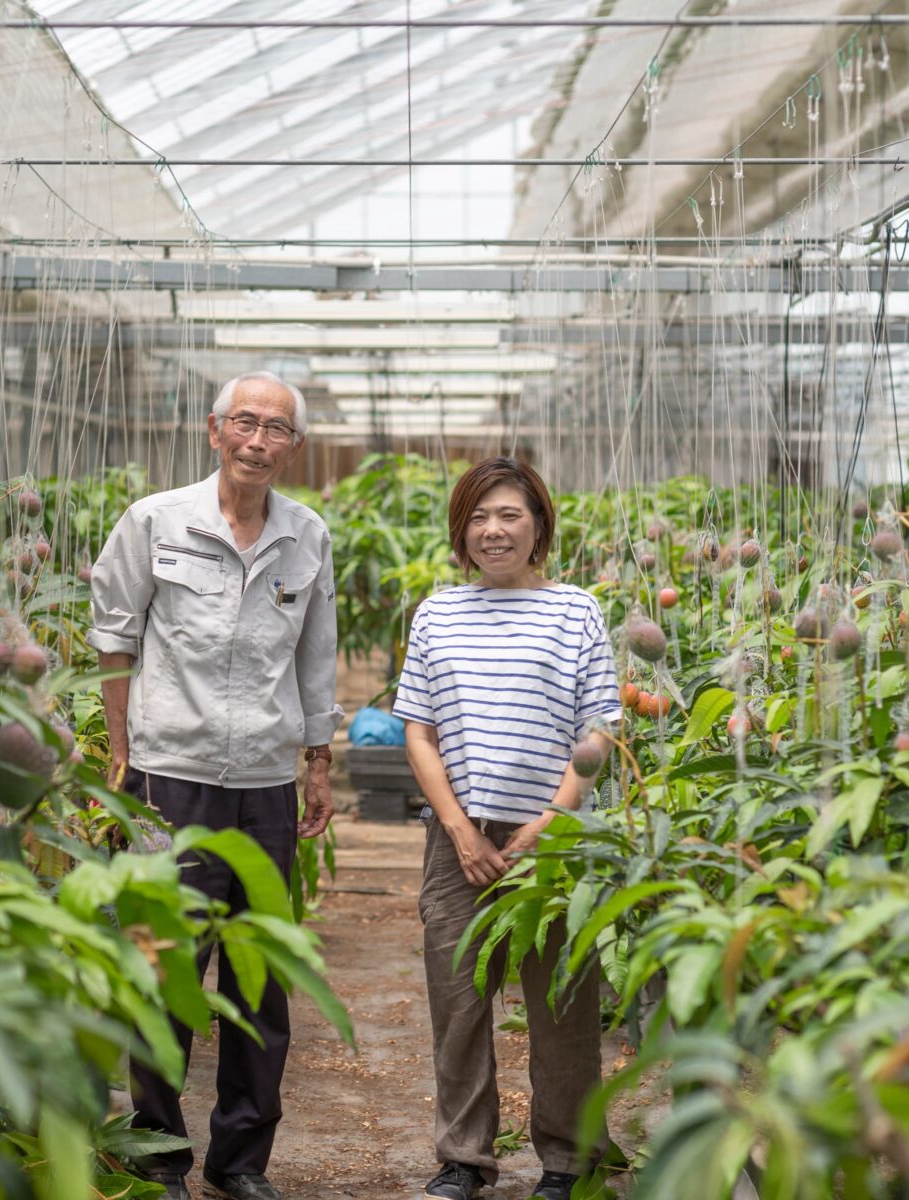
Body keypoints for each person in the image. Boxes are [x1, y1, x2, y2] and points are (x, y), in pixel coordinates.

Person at [89, 371, 343, 1200]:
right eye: (247, 423)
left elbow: (316, 655)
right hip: (172, 778)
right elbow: (116, 636)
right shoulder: (155, 521)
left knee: (259, 977)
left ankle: (242, 1162)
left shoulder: (307, 536)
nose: (260, 441)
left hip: (267, 780)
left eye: (277, 430)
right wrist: (120, 749)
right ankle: (159, 1157)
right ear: (215, 431)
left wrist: (319, 760)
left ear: (293, 448)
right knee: (167, 973)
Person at [392, 457, 620, 1200]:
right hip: (459, 839)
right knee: (457, 1004)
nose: (494, 530)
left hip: (551, 840)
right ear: (462, 531)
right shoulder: (437, 612)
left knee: (562, 1006)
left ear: (539, 524)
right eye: (479, 517)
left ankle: (565, 1158)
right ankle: (463, 1157)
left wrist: (550, 824)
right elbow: (419, 732)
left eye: (510, 515)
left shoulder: (576, 610)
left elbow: (600, 729)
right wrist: (460, 831)